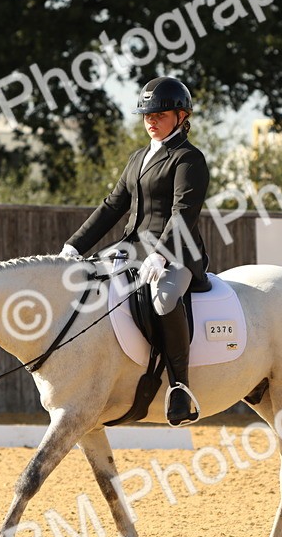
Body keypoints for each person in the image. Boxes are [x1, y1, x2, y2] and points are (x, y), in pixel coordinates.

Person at [59, 76, 210, 424]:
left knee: (163, 299)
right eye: (146, 116)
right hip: (130, 249)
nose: (151, 121)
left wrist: (160, 253)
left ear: (181, 116)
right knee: (88, 286)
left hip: (177, 253)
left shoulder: (189, 159)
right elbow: (112, 206)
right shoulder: (138, 157)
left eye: (159, 115)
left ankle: (181, 389)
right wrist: (74, 245)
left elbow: (182, 213)